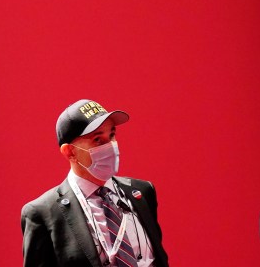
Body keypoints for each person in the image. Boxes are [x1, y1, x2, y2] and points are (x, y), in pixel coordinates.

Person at [21, 99, 168, 267]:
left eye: (112, 135)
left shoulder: (142, 192)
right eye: (98, 139)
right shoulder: (43, 212)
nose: (111, 146)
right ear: (70, 151)